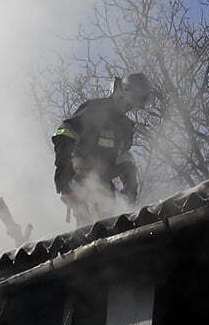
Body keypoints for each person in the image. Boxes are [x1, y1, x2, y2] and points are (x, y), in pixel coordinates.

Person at [52, 73, 157, 226]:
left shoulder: (126, 129)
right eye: (133, 99)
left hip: (104, 185)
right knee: (86, 229)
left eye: (136, 102)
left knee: (111, 225)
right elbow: (65, 132)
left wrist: (129, 197)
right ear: (124, 91)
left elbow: (123, 160)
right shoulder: (96, 109)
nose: (131, 105)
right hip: (82, 177)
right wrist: (64, 172)